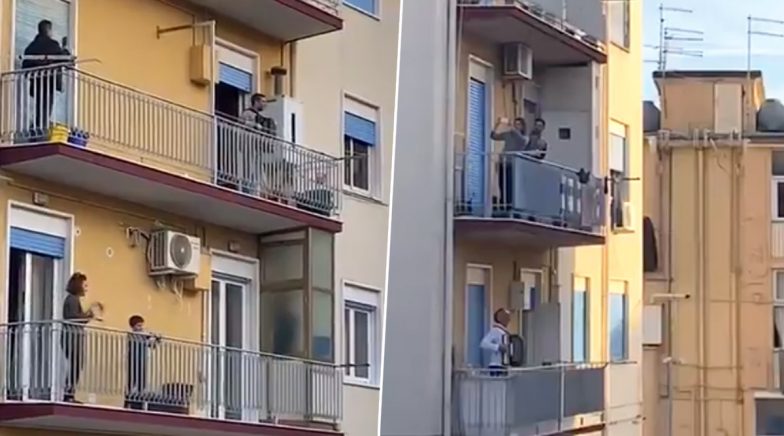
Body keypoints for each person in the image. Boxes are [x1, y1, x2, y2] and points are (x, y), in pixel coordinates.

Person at [21, 20, 70, 133]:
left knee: (39, 107)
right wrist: (64, 48)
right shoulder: (52, 45)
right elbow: (65, 60)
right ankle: (40, 130)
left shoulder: (31, 47)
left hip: (37, 82)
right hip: (49, 81)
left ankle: (36, 128)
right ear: (48, 30)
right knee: (46, 108)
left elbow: (25, 67)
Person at [61, 272, 103, 403]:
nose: (86, 288)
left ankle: (69, 394)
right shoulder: (72, 299)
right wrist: (89, 316)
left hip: (72, 337)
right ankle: (68, 395)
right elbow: (74, 319)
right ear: (78, 285)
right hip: (71, 338)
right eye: (85, 285)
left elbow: (76, 317)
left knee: (76, 365)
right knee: (76, 365)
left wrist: (88, 315)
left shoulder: (72, 299)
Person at [490, 117, 528, 208]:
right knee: (501, 184)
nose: (516, 126)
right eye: (515, 123)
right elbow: (494, 136)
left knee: (510, 185)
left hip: (513, 164)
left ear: (522, 127)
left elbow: (521, 140)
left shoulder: (524, 138)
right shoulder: (508, 134)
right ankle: (503, 204)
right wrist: (497, 124)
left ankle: (510, 205)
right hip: (503, 162)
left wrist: (511, 127)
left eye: (518, 124)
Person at [125, 315, 160, 410]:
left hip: (142, 362)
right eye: (138, 326)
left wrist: (156, 339)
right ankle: (128, 404)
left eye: (141, 325)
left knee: (142, 383)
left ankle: (141, 405)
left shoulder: (143, 336)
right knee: (132, 382)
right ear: (133, 326)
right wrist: (149, 336)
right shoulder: (131, 334)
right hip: (133, 362)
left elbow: (151, 345)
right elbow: (138, 339)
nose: (141, 328)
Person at [480, 308, 511, 376]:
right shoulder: (495, 330)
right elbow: (483, 343)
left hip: (504, 365)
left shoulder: (505, 331)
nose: (509, 319)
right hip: (496, 365)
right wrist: (497, 347)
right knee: (496, 386)